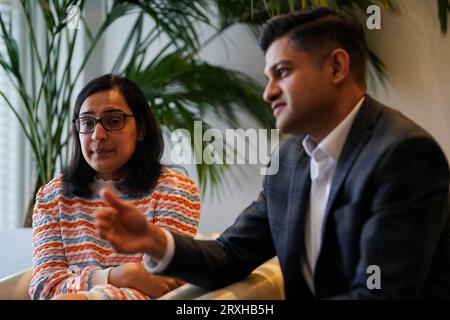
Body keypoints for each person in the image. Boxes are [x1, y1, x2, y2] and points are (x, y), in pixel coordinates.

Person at [96, 8, 450, 299]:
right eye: (268, 77)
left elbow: (380, 295)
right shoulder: (290, 161)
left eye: (282, 72)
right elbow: (230, 255)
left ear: (336, 67)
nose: (268, 93)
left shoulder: (403, 155)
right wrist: (155, 241)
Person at [29, 74, 201, 300]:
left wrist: (86, 297)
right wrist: (120, 275)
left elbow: (162, 287)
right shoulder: (51, 197)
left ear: (140, 129)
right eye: (87, 123)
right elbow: (44, 287)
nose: (97, 135)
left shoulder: (175, 190)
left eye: (113, 121)